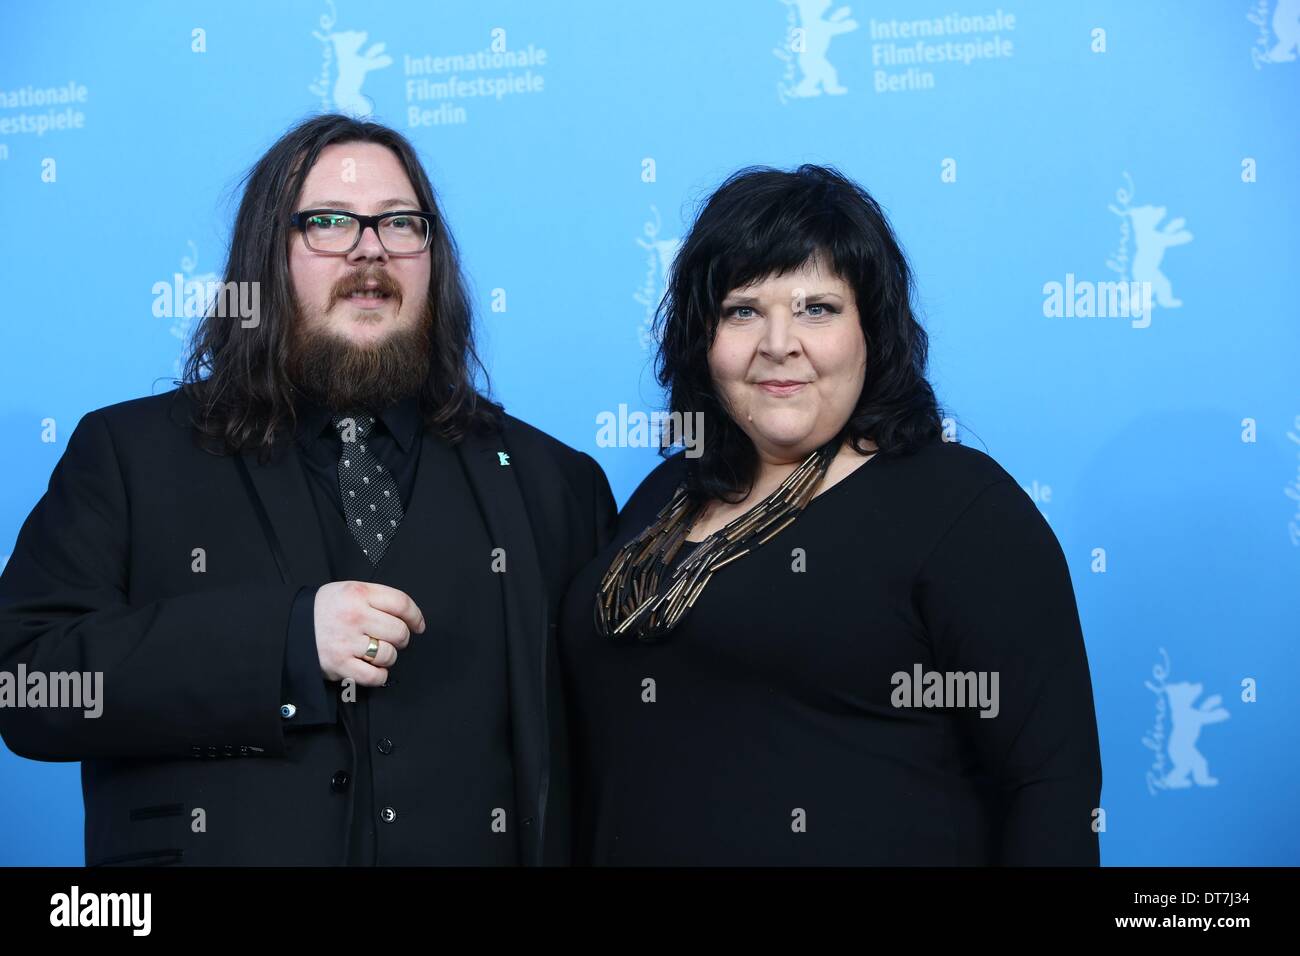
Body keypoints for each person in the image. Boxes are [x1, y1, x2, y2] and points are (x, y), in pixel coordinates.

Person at [0, 113, 615, 866]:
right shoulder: (130, 455)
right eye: (328, 223)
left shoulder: (557, 484)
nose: (370, 250)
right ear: (267, 256)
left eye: (400, 223)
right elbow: (28, 687)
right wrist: (284, 642)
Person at [559, 164, 1103, 866]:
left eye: (817, 308)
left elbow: (1050, 786)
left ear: (871, 329)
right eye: (742, 309)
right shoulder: (662, 496)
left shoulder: (961, 508)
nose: (779, 342)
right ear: (704, 337)